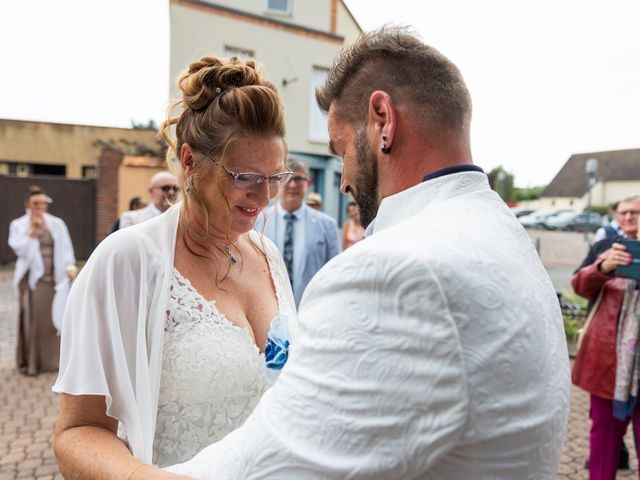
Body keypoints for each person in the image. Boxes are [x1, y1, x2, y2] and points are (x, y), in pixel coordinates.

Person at [167, 25, 570, 479]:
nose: (342, 181)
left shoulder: (396, 269)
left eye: (340, 151)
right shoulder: (502, 231)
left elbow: (271, 467)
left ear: (383, 119)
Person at [52, 54, 297, 478]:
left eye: (274, 178)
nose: (263, 196)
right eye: (244, 177)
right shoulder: (125, 262)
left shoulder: (268, 255)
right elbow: (78, 431)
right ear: (189, 161)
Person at [572, 195, 640, 479]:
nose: (628, 218)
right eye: (623, 213)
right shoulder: (603, 247)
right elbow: (579, 285)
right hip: (608, 360)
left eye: (635, 212)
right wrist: (603, 268)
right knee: (603, 439)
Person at [9, 185, 76, 375]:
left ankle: (53, 361)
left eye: (42, 203)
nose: (40, 206)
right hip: (33, 279)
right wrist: (32, 232)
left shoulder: (57, 223)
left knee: (55, 319)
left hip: (54, 278)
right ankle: (32, 363)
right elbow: (19, 250)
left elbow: (66, 248)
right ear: (27, 205)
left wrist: (70, 267)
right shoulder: (19, 225)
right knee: (34, 320)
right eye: (35, 203)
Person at [256, 158, 340, 307]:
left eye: (299, 179)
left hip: (312, 310)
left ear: (308, 184)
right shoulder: (258, 222)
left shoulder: (327, 226)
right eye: (287, 179)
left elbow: (336, 274)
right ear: (278, 183)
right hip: (268, 311)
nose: (293, 185)